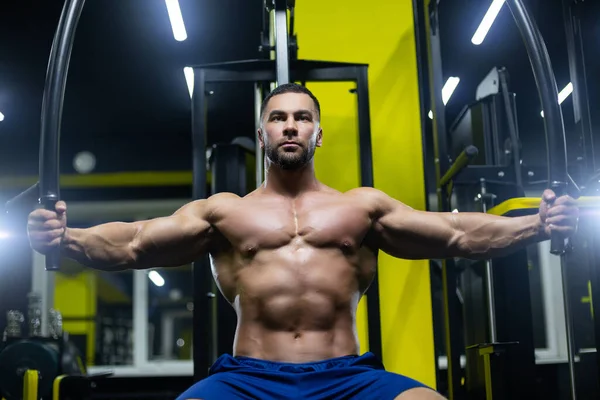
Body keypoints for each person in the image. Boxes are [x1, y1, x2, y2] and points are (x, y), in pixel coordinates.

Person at [27, 83, 579, 400]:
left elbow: (459, 233)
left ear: (318, 132)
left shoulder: (362, 207)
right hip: (248, 381)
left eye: (302, 118)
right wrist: (66, 237)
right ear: (263, 130)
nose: (290, 126)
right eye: (278, 118)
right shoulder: (225, 213)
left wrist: (537, 226)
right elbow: (135, 243)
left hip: (346, 377)